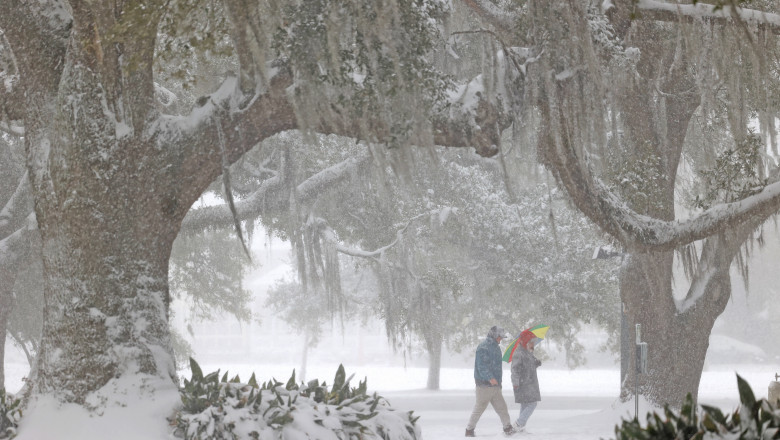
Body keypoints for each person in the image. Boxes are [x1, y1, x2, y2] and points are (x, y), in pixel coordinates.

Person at [465, 326, 517, 437]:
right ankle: (469, 430)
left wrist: (498, 382)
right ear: (494, 336)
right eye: (499, 337)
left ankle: (508, 428)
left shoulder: (496, 347)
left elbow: (496, 367)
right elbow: (481, 366)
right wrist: (490, 378)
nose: (501, 339)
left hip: (495, 386)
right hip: (484, 386)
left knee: (502, 407)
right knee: (479, 408)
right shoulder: (483, 347)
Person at [510, 330, 542, 432]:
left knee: (525, 404)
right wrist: (515, 382)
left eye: (534, 342)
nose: (533, 344)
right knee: (532, 403)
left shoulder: (527, 352)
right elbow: (515, 369)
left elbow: (528, 366)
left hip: (529, 383)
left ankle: (520, 428)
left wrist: (536, 363)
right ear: (525, 342)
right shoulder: (519, 353)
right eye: (531, 342)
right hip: (523, 384)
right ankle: (518, 424)